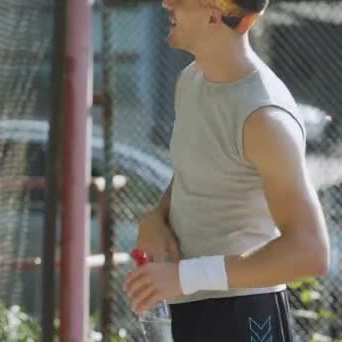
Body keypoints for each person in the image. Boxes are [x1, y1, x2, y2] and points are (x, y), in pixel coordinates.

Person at [124, 0, 330, 340]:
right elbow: (199, 173)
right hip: (189, 311)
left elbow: (309, 251)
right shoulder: (189, 81)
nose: (167, 3)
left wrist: (186, 276)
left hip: (244, 316)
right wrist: (156, 218)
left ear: (213, 14)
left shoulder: (265, 117)